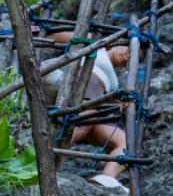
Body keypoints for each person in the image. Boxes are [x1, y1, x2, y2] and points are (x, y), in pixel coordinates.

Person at [43, 32, 130, 184]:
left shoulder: (114, 80)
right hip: (83, 83)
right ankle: (43, 158)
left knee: (125, 142)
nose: (127, 57)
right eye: (128, 50)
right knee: (77, 130)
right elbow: (56, 36)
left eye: (132, 58)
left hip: (96, 99)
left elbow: (115, 100)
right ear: (118, 43)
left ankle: (106, 179)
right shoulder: (99, 43)